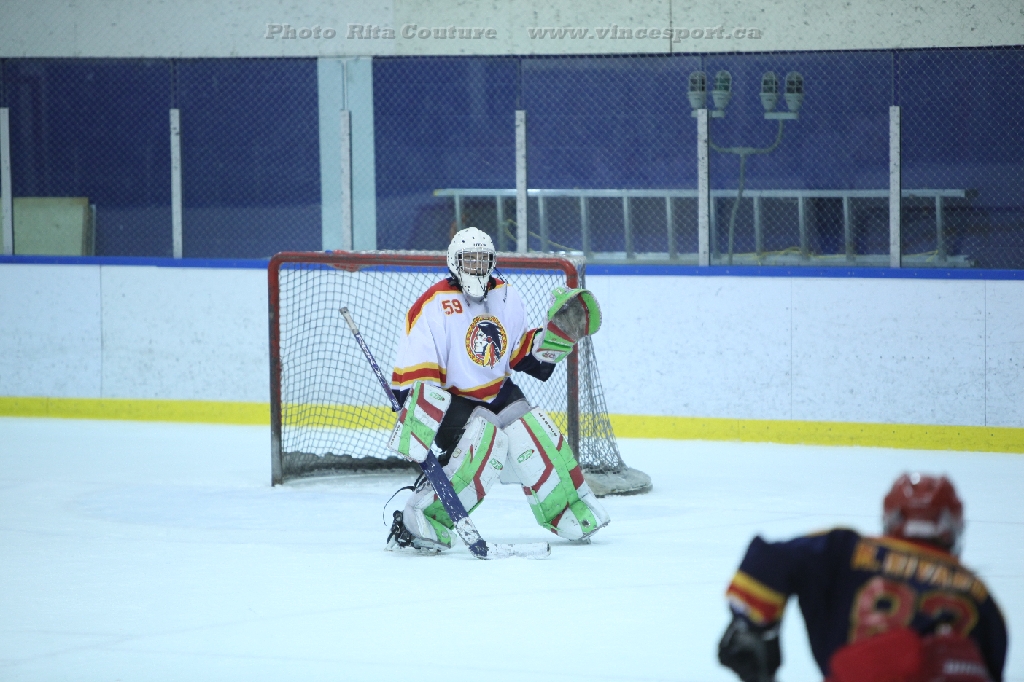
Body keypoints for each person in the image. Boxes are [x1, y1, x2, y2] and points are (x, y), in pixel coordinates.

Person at [384, 226, 609, 553]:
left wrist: (550, 340)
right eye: (469, 260)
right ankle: (421, 516)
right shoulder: (433, 304)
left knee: (536, 432)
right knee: (484, 444)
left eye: (482, 259)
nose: (476, 267)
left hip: (497, 392)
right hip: (453, 401)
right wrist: (418, 419)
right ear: (454, 262)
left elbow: (516, 352)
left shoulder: (506, 295)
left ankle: (569, 510)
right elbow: (417, 371)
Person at [718, 473, 1008, 682]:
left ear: (892, 517)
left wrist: (753, 629)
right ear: (953, 528)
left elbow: (769, 559)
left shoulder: (846, 551)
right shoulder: (978, 595)